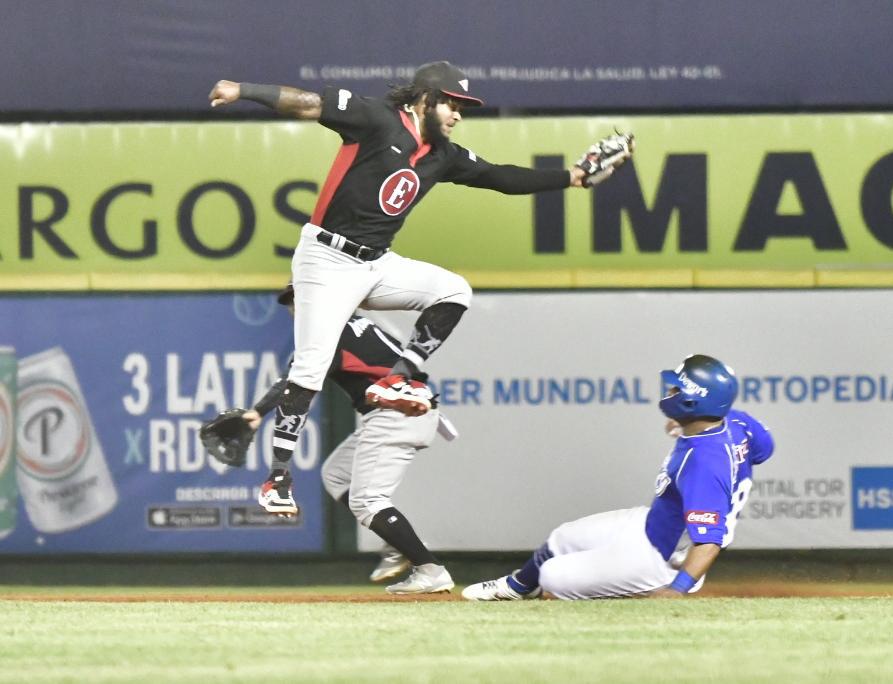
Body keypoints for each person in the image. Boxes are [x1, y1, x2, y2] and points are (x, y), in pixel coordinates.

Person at [207, 61, 632, 517]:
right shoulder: (374, 118)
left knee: (453, 290)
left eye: (462, 107)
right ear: (425, 100)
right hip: (325, 259)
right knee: (310, 369)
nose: (457, 114)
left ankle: (396, 378)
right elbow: (308, 103)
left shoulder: (441, 155)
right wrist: (242, 89)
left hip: (376, 263)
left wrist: (572, 176)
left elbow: (501, 178)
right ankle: (278, 480)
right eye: (452, 103)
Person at [461, 354, 775, 600]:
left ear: (694, 402)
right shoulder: (734, 420)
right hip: (653, 524)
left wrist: (677, 589)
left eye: (677, 388)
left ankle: (641, 589)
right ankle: (518, 586)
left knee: (554, 578)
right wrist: (685, 424)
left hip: (663, 560)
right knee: (562, 537)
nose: (670, 392)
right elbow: (763, 449)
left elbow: (709, 542)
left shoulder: (705, 462)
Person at [244, 283, 457, 594]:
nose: (295, 310)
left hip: (396, 414)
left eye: (301, 301)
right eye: (293, 304)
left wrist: (257, 412)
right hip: (407, 409)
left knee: (368, 501)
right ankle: (397, 544)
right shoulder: (359, 324)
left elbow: (296, 384)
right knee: (336, 474)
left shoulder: (328, 334)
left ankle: (430, 569)